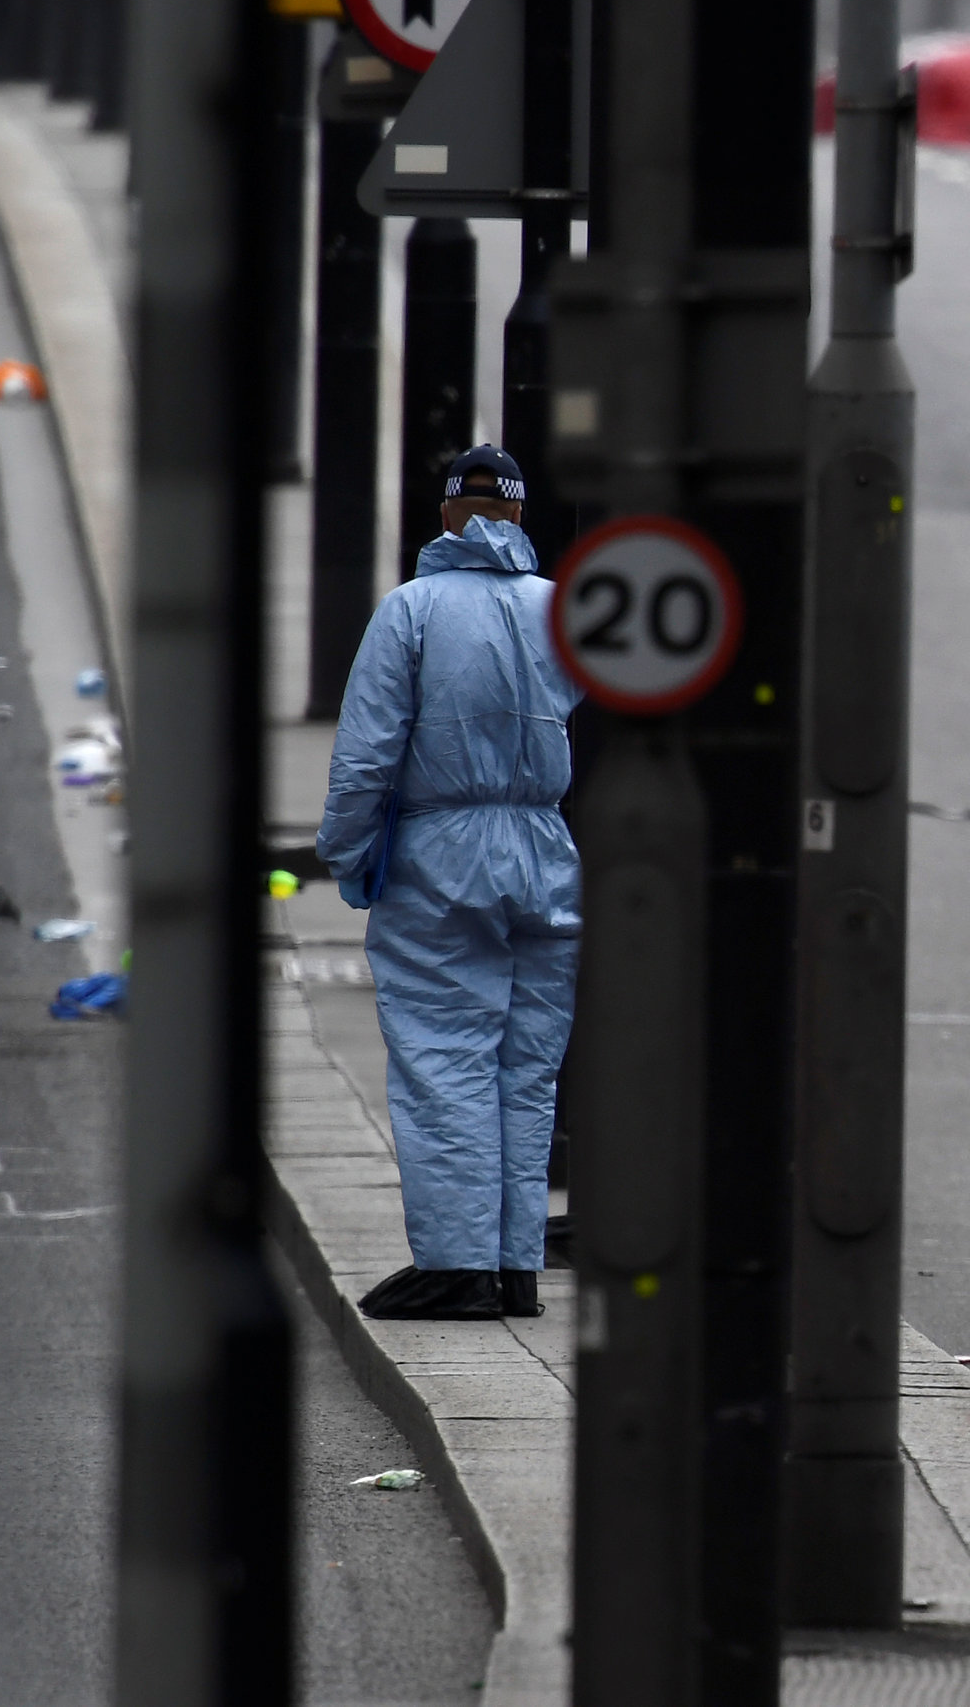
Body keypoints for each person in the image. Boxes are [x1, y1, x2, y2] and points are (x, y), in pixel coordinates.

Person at [318, 446, 582, 1322]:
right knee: (526, 1067)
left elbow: (365, 757)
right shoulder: (563, 612)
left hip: (442, 852)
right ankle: (514, 1265)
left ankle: (457, 1263)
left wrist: (348, 856)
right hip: (545, 846)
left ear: (444, 516)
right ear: (518, 517)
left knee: (443, 1056)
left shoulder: (413, 610)